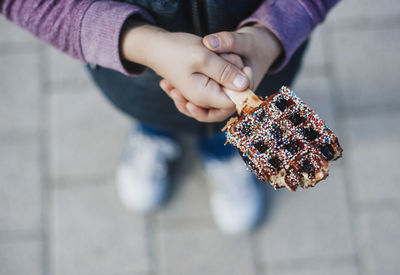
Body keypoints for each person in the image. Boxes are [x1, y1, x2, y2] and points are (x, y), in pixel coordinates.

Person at [1, 0, 340, 234]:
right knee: (156, 111)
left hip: (263, 61)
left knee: (226, 128)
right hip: (137, 77)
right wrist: (142, 45)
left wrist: (272, 33)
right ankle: (154, 133)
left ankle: (225, 150)